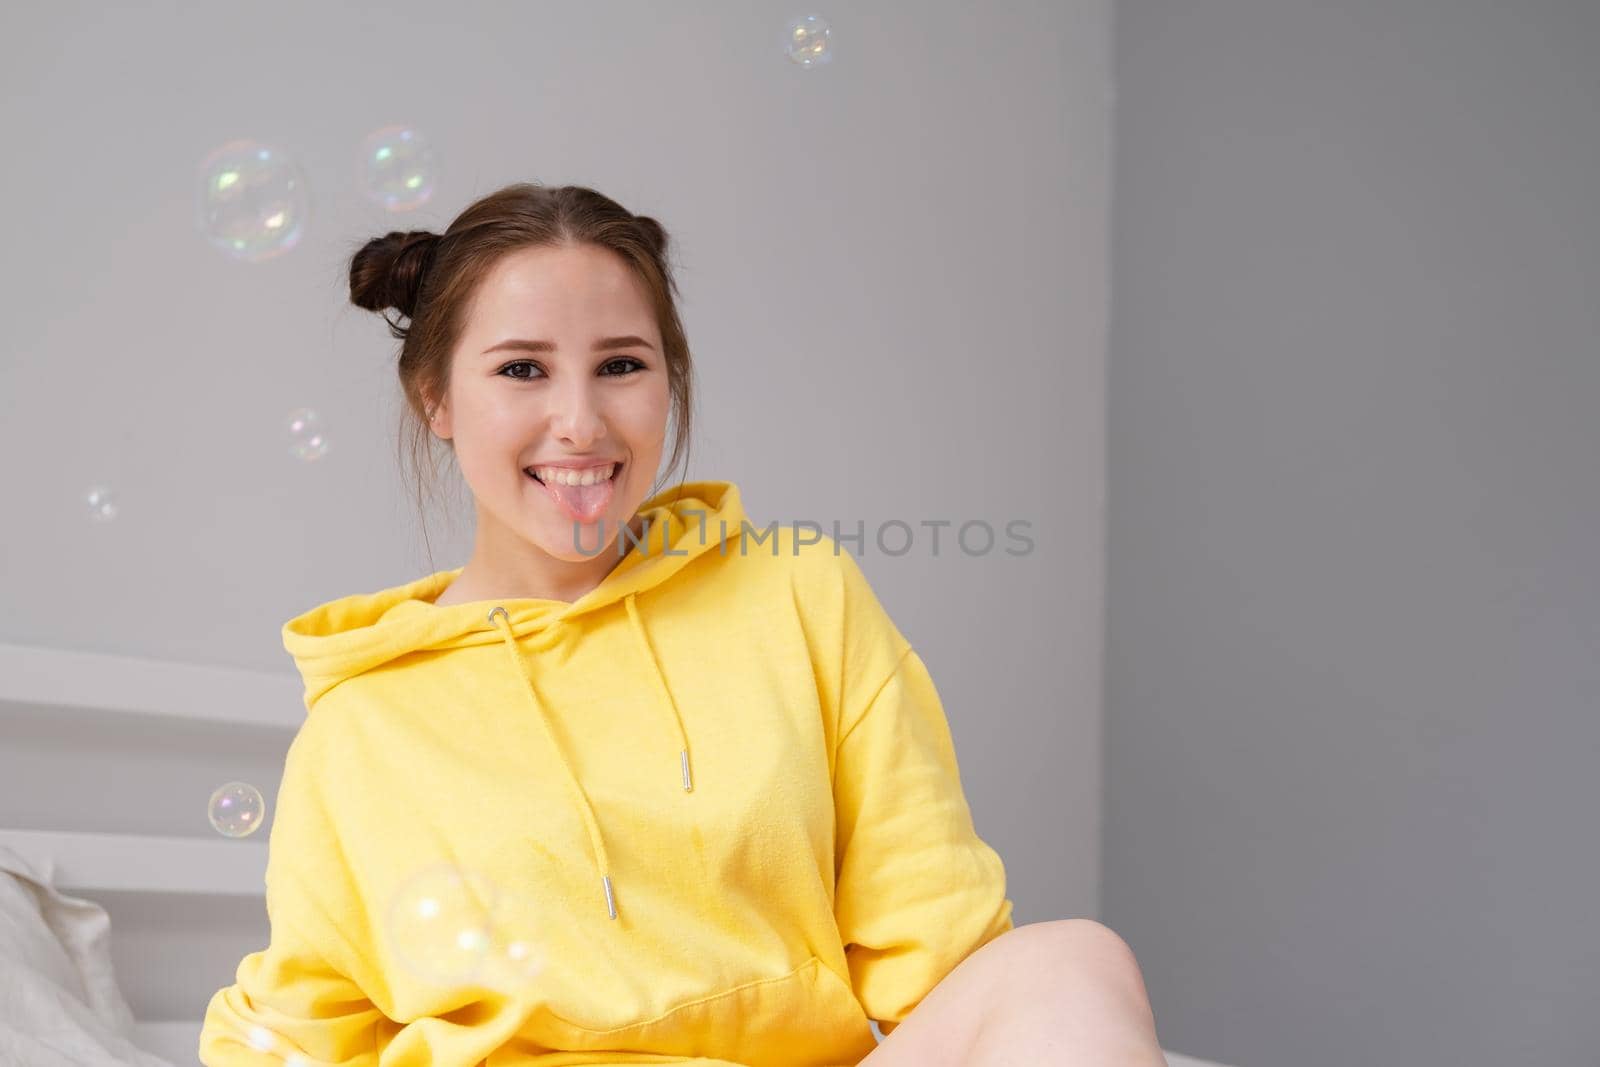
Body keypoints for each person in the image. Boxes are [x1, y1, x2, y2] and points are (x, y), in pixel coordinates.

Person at [197, 182, 1166, 1066]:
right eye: (522, 368)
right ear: (437, 396)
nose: (580, 421)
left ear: (670, 379)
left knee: (1071, 958)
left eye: (620, 363)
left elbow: (941, 947)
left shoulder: (798, 593)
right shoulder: (364, 723)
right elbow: (298, 1029)